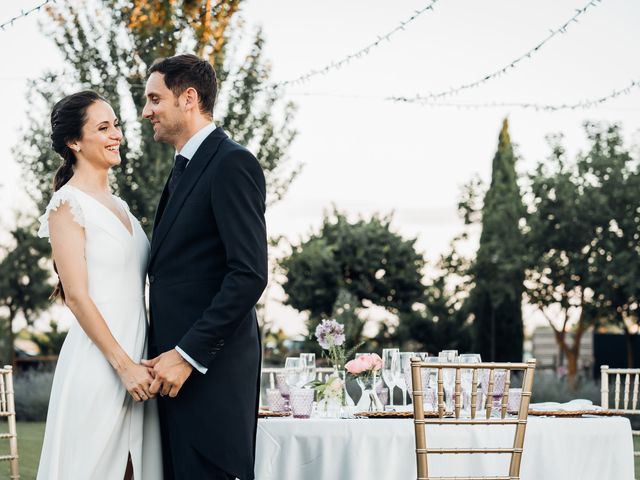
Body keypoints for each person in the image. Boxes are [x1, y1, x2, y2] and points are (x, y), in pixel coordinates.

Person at [141, 54, 268, 480]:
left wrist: (189, 354)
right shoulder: (183, 169)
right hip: (173, 377)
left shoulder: (231, 163)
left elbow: (248, 273)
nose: (147, 111)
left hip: (210, 374)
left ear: (189, 98)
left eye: (155, 99)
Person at [36, 91, 162, 480]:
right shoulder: (66, 204)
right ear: (74, 142)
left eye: (117, 125)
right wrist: (123, 367)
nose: (116, 135)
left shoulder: (120, 206)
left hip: (140, 364)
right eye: (103, 128)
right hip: (101, 365)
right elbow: (76, 295)